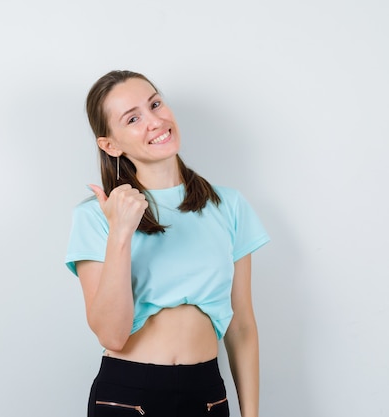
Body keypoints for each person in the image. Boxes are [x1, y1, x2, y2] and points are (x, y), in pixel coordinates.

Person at [65, 70, 270, 417]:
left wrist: (251, 414)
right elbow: (112, 336)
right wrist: (120, 233)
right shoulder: (95, 217)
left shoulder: (229, 205)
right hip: (128, 394)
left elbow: (242, 325)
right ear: (110, 145)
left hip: (206, 393)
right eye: (133, 118)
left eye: (155, 104)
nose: (155, 121)